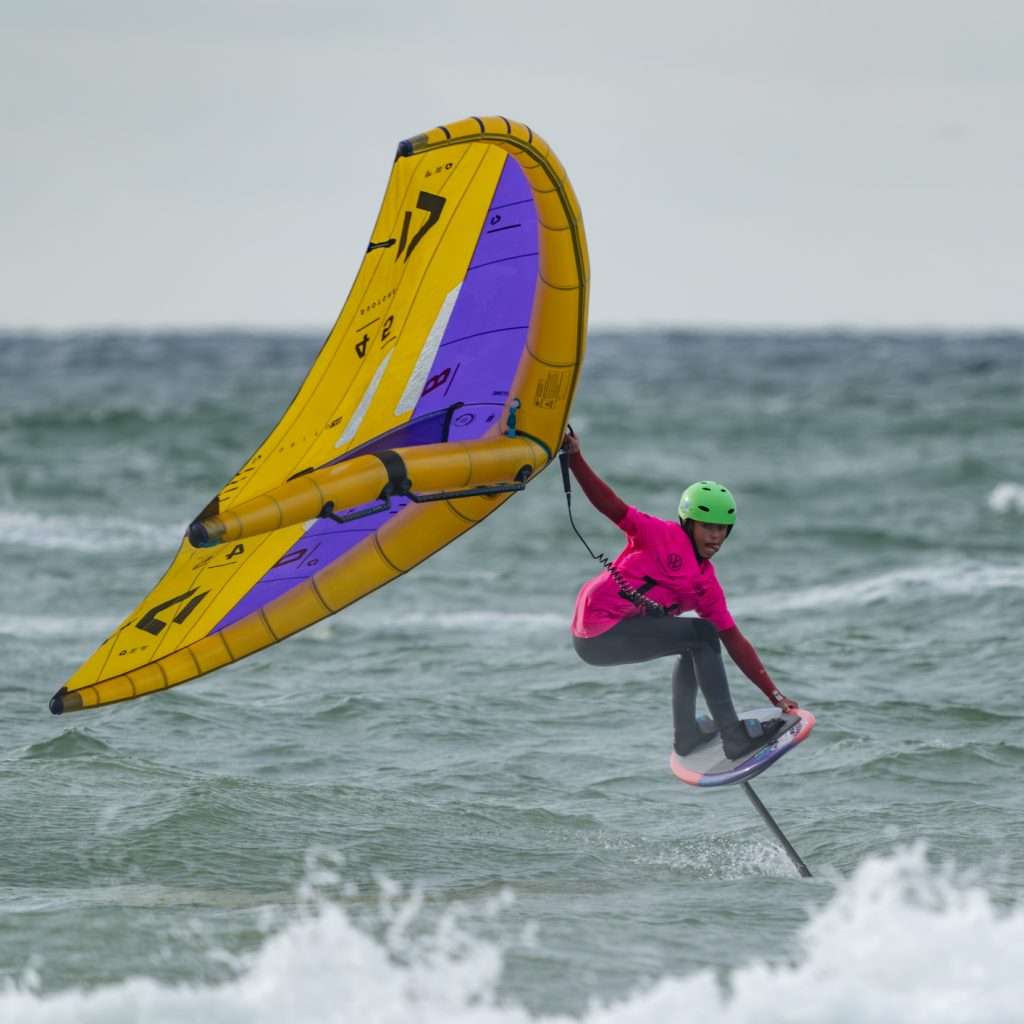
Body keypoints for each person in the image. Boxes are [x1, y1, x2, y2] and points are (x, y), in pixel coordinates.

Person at [562, 432, 798, 761]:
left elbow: (734, 640)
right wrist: (574, 458)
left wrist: (775, 695)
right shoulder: (660, 535)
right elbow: (611, 506)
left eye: (722, 528)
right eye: (707, 527)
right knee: (700, 635)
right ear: (688, 524)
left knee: (696, 644)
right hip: (597, 628)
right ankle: (733, 737)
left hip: (608, 634)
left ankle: (686, 736)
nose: (716, 536)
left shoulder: (706, 583)